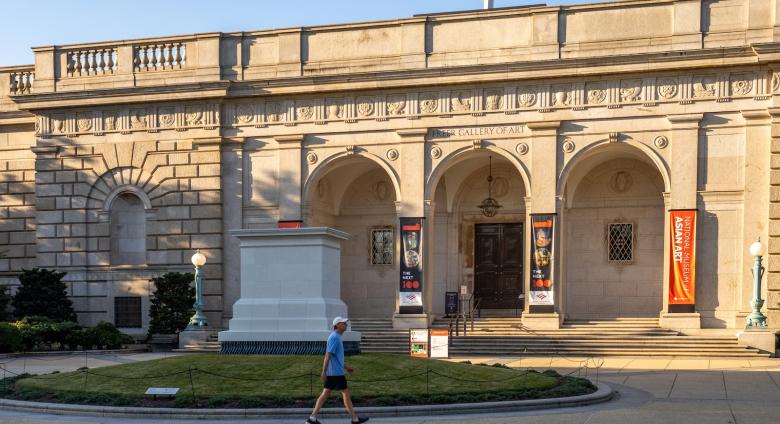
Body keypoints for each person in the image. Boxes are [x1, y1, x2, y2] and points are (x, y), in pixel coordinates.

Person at [306, 317, 369, 424]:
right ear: (337, 325)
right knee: (345, 394)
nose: (346, 324)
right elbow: (328, 355)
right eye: (343, 323)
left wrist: (346, 367)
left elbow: (335, 357)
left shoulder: (337, 337)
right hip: (336, 373)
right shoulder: (335, 337)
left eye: (345, 323)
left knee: (325, 394)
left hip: (335, 372)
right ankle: (354, 419)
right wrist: (324, 372)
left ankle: (312, 418)